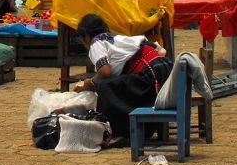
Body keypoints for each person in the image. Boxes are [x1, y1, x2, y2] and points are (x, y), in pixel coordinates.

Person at [72, 13, 172, 145]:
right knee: (117, 84)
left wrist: (89, 83)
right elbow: (161, 51)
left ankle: (119, 132)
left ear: (86, 37)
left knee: (104, 87)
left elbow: (105, 71)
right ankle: (136, 129)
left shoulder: (96, 42)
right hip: (163, 70)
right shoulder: (117, 38)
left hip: (149, 76)